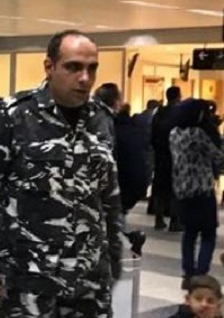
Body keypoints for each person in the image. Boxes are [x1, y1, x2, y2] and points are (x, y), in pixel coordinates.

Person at [0, 30, 122, 318]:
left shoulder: (101, 120)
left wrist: (113, 257)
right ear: (49, 67)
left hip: (88, 282)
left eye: (92, 68)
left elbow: (109, 196)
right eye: (73, 67)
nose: (85, 78)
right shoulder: (13, 117)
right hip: (29, 282)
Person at [170, 99, 224, 289]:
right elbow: (219, 158)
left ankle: (188, 273)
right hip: (202, 190)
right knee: (208, 235)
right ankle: (201, 274)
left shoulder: (174, 133)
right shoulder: (198, 134)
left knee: (189, 234)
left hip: (183, 191)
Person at [94, 83, 148, 256]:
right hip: (122, 189)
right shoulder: (128, 128)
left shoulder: (99, 123)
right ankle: (128, 239)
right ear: (117, 102)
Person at [152, 86, 182, 231]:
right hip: (176, 155)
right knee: (175, 188)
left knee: (160, 188)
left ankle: (159, 218)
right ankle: (174, 221)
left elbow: (152, 134)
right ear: (178, 97)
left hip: (160, 155)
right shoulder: (180, 113)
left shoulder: (159, 112)